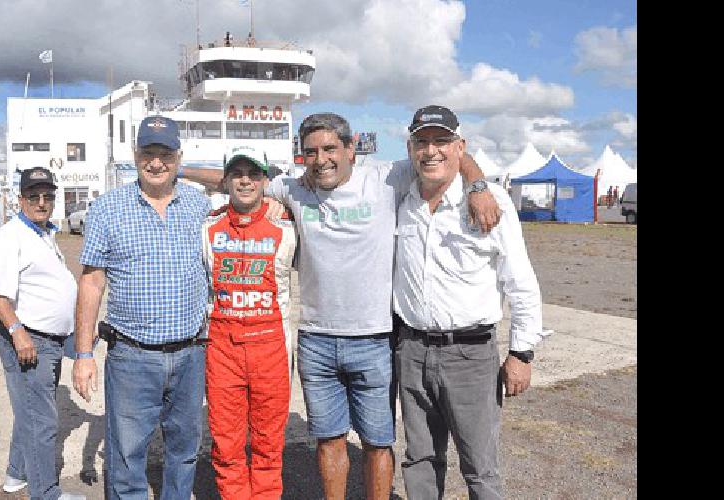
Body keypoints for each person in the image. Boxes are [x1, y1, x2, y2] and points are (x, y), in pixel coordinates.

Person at [181, 112, 501, 500]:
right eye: (311, 152)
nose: (321, 159)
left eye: (331, 148)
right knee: (329, 441)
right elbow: (237, 180)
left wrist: (478, 184)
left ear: (351, 149)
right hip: (316, 342)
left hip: (374, 339)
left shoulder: (386, 178)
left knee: (377, 443)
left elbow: (442, 155)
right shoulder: (295, 189)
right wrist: (176, 170)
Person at [392, 105, 547, 500]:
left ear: (460, 146)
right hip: (410, 350)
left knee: (480, 466)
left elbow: (522, 283)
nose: (431, 151)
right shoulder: (400, 195)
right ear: (410, 147)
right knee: (420, 458)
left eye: (442, 141)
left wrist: (522, 354)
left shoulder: (489, 202)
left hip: (470, 355)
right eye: (422, 142)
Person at [71, 116, 211, 500]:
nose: (156, 163)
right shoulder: (107, 209)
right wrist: (83, 355)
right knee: (127, 459)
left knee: (184, 454)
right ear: (135, 156)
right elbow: (91, 282)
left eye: (165, 154)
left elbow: (245, 189)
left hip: (190, 354)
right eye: (148, 153)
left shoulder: (200, 207)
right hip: (132, 357)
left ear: (178, 158)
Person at [0, 166, 86, 500]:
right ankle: (45, 492)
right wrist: (18, 333)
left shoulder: (43, 232)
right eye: (34, 196)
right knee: (42, 421)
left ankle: (16, 475)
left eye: (48, 196)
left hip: (48, 340)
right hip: (29, 341)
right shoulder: (9, 236)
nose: (42, 202)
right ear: (21, 199)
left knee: (29, 411)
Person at [203, 145, 297, 499]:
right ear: (226, 180)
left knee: (268, 445)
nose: (245, 181)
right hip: (223, 349)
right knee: (226, 446)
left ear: (265, 181)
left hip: (270, 348)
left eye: (253, 174)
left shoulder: (286, 228)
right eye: (238, 173)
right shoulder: (207, 227)